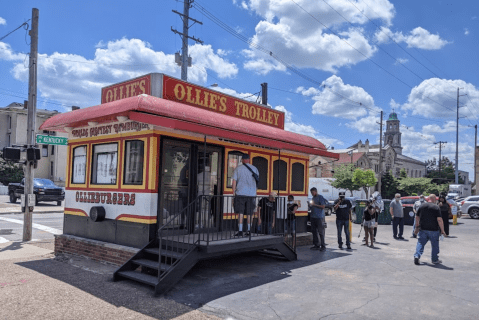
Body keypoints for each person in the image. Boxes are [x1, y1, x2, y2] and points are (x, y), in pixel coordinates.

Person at [414, 194, 447, 265]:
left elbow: (417, 217)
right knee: (435, 245)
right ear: (434, 199)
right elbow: (439, 220)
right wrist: (443, 230)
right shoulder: (436, 207)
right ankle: (434, 259)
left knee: (420, 243)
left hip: (423, 229)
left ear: (428, 199)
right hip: (434, 230)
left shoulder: (422, 206)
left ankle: (417, 256)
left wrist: (417, 227)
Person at [232, 154, 259, 237]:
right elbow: (257, 182)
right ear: (249, 159)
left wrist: (234, 193)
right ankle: (249, 230)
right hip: (251, 195)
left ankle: (240, 231)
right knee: (249, 213)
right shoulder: (255, 169)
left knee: (240, 213)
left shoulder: (238, 169)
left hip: (240, 194)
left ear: (243, 160)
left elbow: (234, 182)